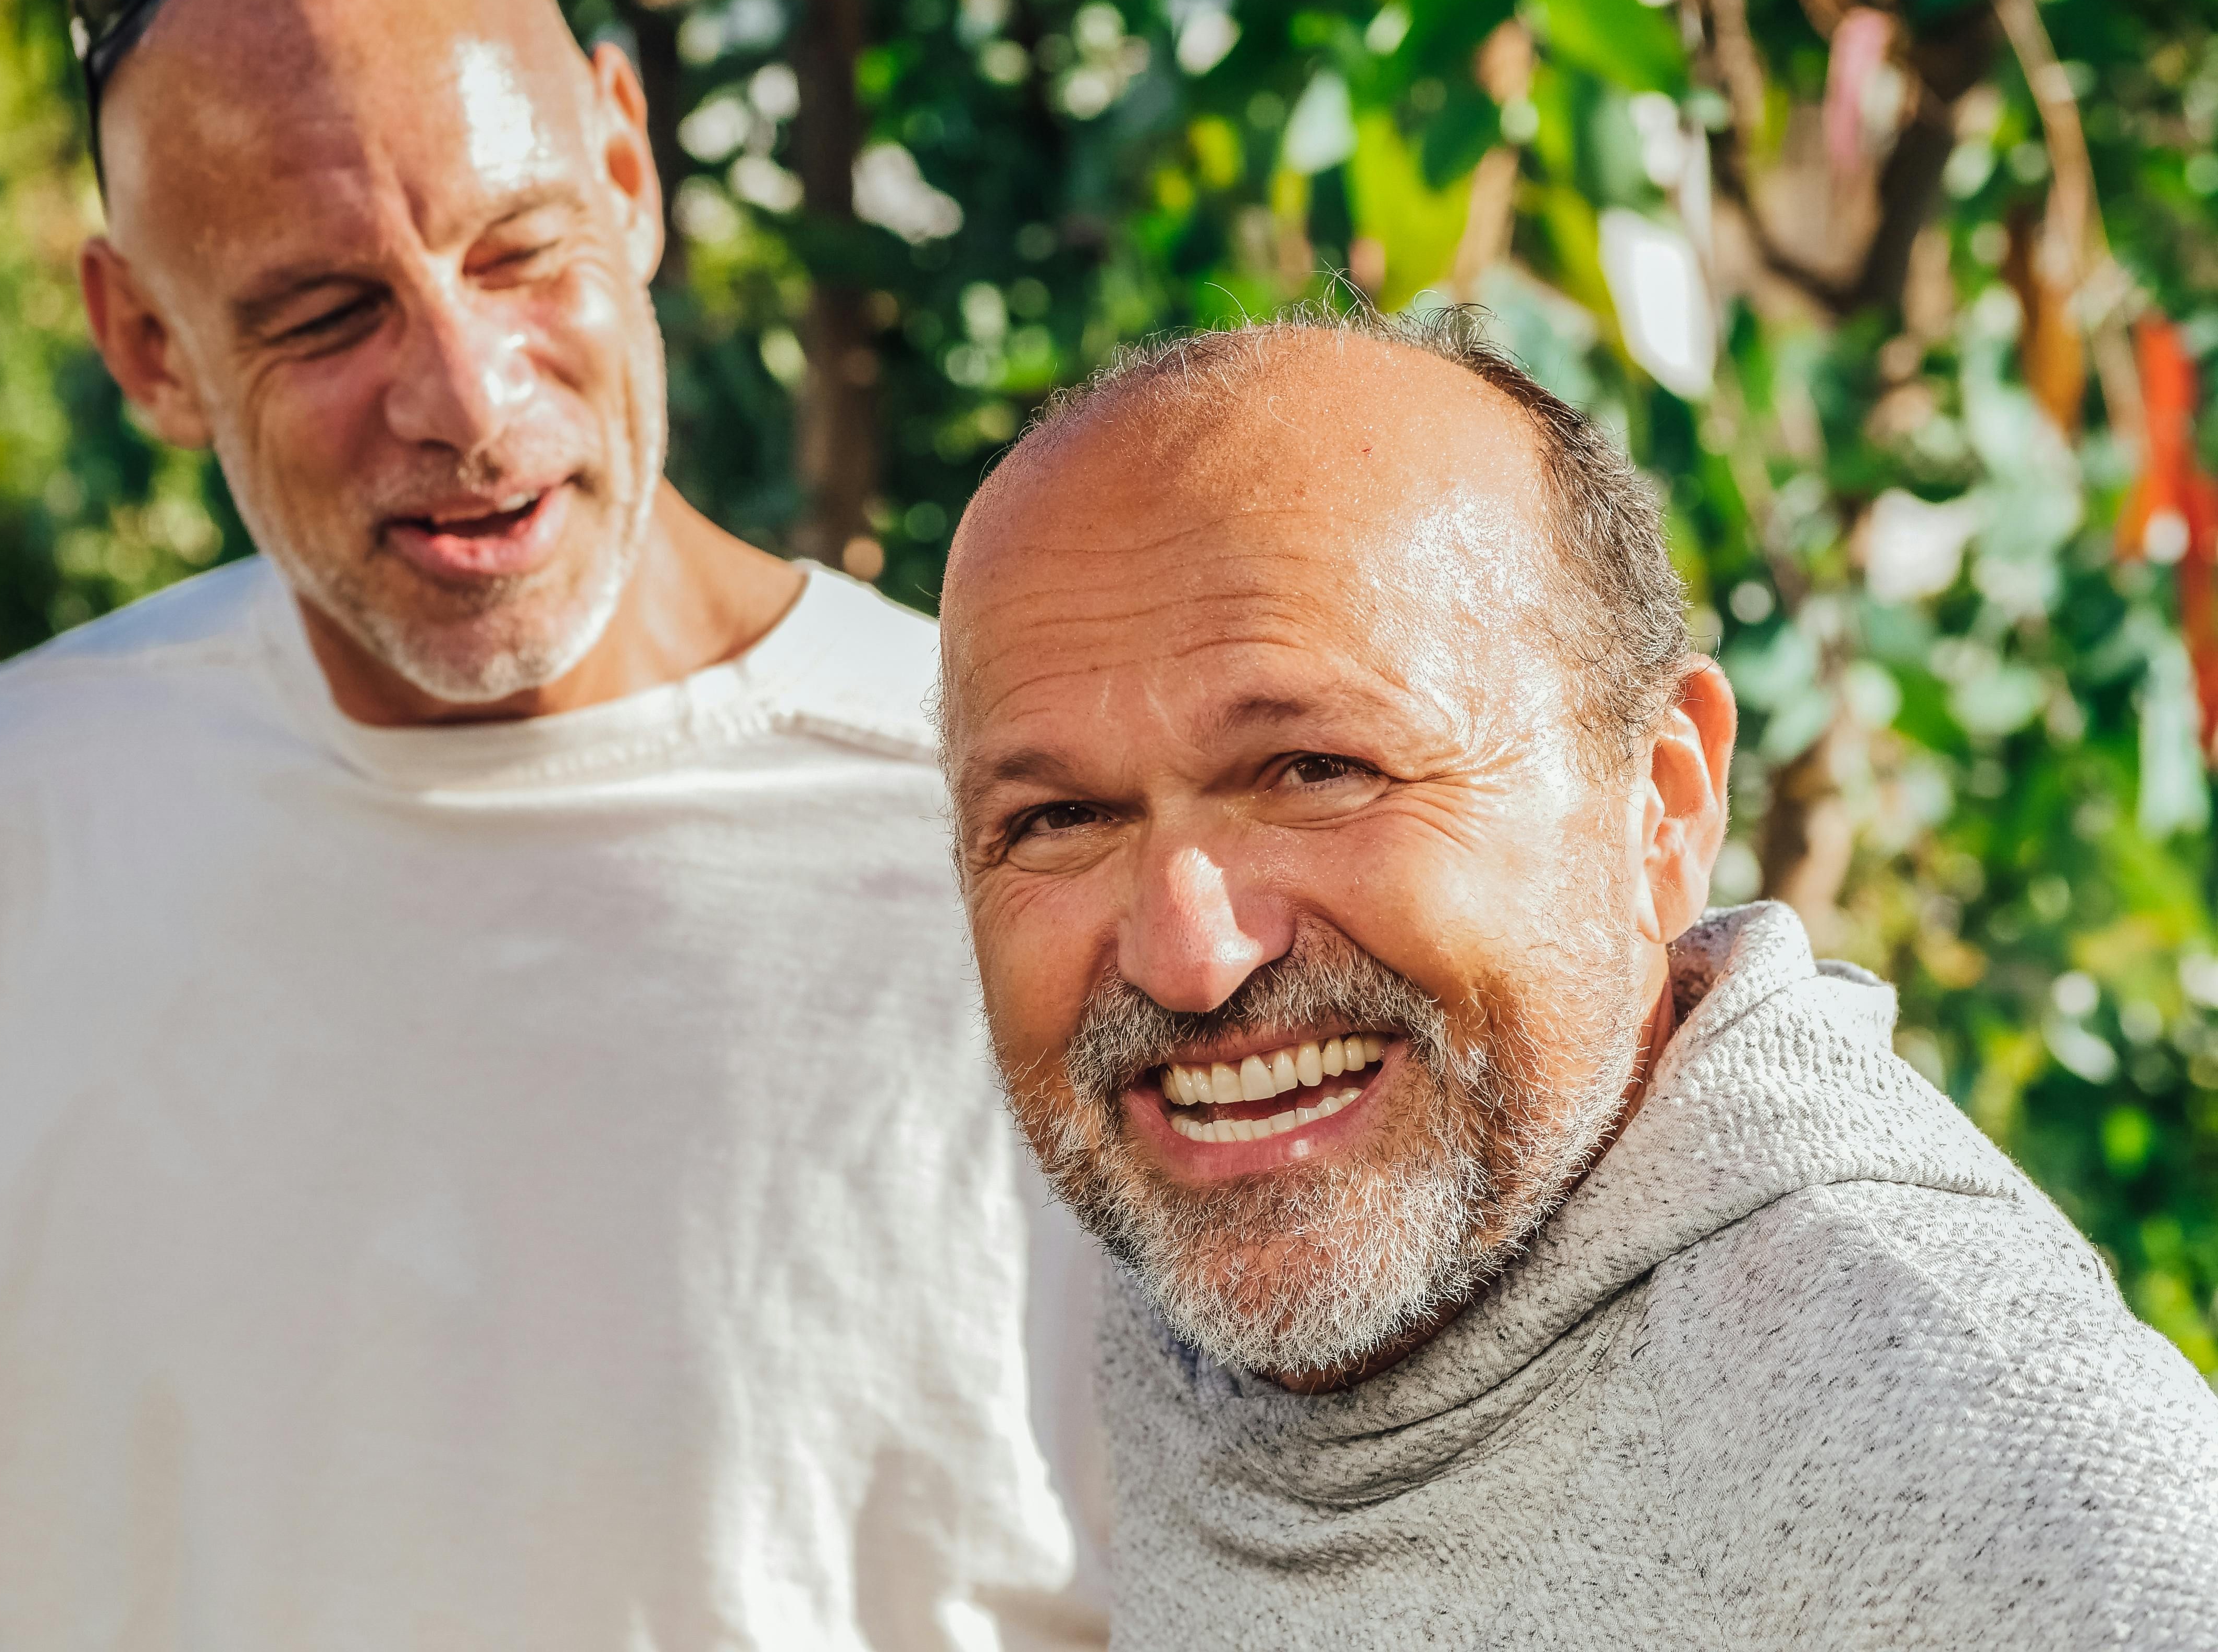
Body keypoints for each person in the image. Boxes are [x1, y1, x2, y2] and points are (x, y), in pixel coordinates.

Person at [0, 0, 1107, 1651]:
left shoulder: (1025, 846)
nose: (464, 399)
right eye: (327, 313)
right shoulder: (10, 828)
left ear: (625, 160)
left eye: (519, 251)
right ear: (145, 345)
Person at [936, 306, 2218, 1649]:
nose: (1190, 960)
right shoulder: (1189, 1294)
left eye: (1320, 771)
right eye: (1060, 820)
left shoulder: (1994, 1501)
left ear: (1663, 805)